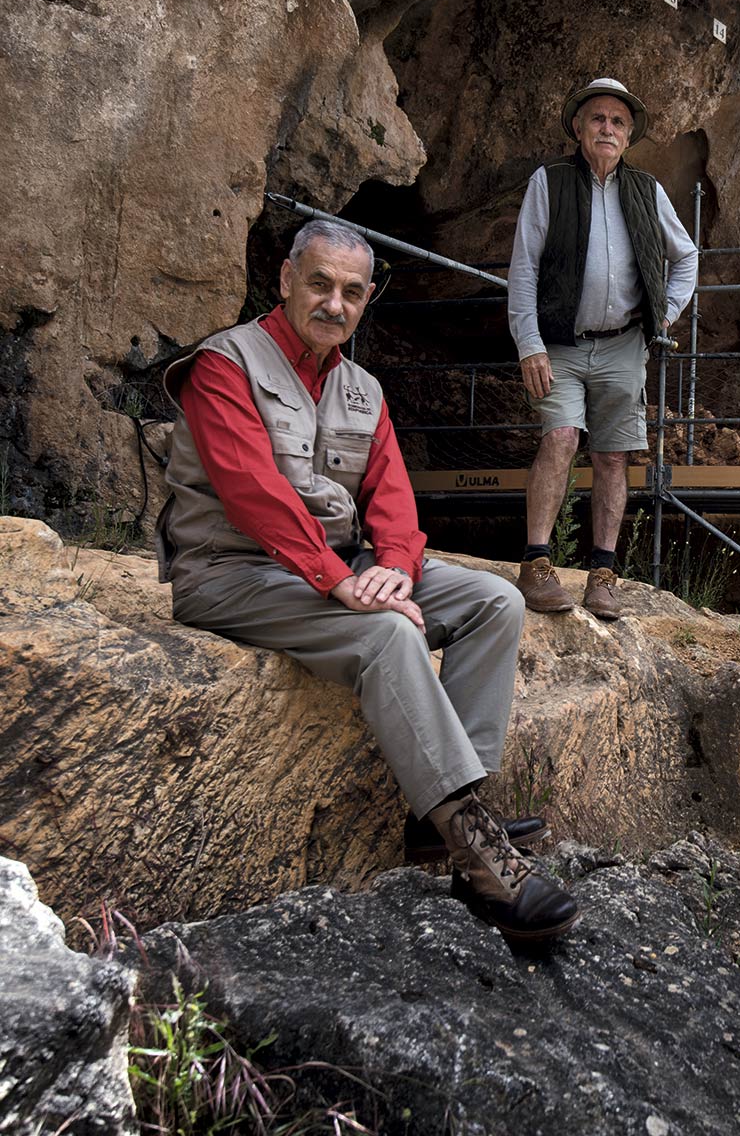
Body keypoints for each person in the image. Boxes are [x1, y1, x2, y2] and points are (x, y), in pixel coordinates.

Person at [155, 219, 579, 943]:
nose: (335, 304)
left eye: (352, 292)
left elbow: (393, 500)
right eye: (319, 284)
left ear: (367, 298)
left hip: (337, 570)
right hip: (232, 572)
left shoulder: (363, 388)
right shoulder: (224, 365)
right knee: (386, 634)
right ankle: (480, 855)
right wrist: (339, 580)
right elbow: (251, 491)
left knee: (495, 601)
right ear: (286, 279)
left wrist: (394, 569)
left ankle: (442, 814)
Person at [507, 77, 698, 619]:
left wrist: (666, 311)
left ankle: (603, 574)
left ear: (629, 133)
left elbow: (686, 257)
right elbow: (524, 267)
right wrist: (529, 343)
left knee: (613, 456)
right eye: (597, 119)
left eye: (618, 121)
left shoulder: (646, 190)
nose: (607, 129)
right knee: (561, 437)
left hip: (623, 345)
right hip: (561, 342)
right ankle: (537, 564)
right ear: (578, 127)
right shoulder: (550, 182)